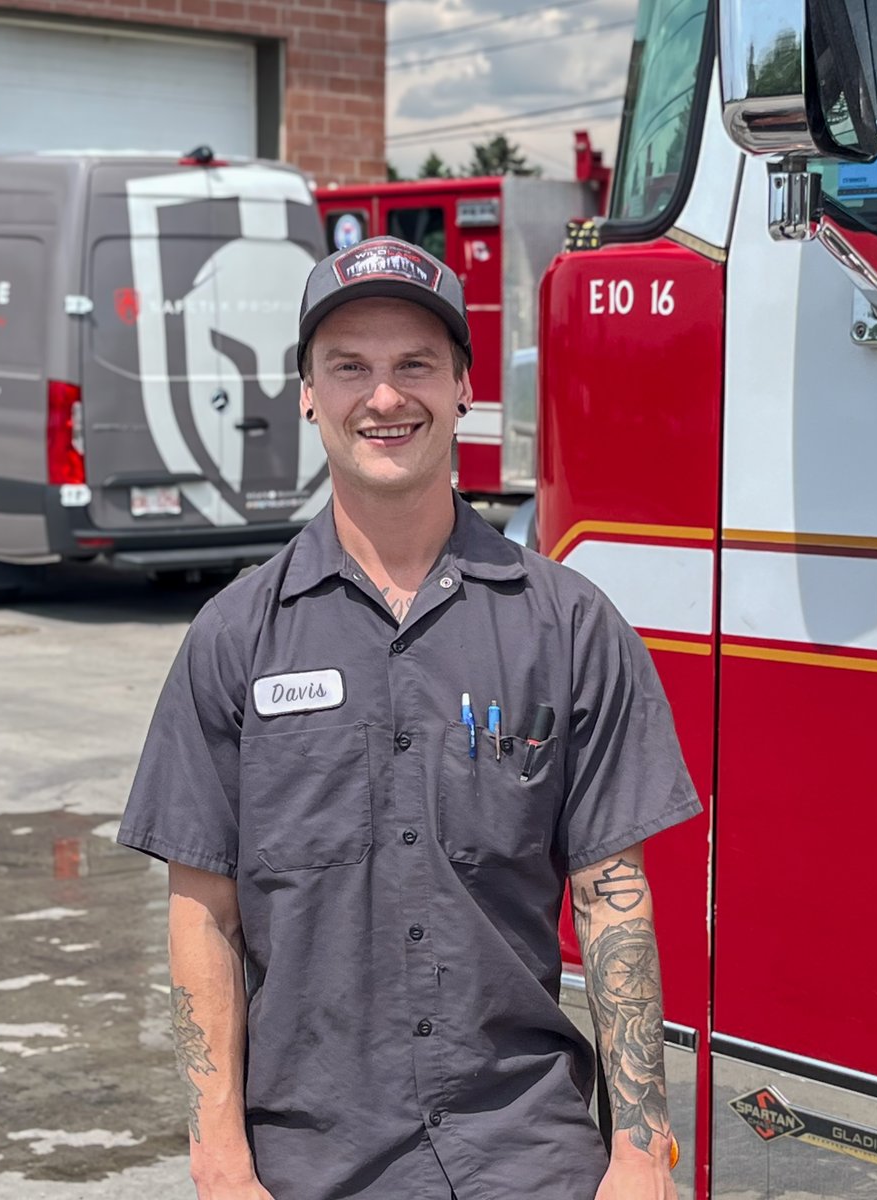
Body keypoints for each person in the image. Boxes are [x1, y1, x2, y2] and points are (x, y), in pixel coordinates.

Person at [117, 236, 702, 1200]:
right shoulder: (235, 637)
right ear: (309, 394)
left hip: (526, 1152)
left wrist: (641, 1151)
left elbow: (613, 899)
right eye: (350, 367)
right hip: (311, 1162)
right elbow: (203, 914)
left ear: (465, 386)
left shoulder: (569, 626)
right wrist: (219, 1160)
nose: (384, 397)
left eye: (415, 365)